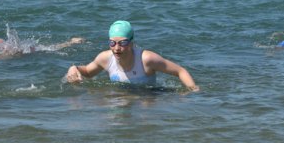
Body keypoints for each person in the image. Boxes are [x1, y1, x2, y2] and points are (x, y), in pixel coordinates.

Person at [66, 20, 199, 91]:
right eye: (112, 43)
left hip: (149, 95)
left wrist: (194, 91)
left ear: (131, 43)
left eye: (122, 43)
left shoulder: (146, 59)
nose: (116, 48)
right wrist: (74, 68)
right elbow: (88, 72)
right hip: (122, 95)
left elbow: (180, 71)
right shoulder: (105, 58)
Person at [0, 37, 84, 59]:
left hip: (23, 50)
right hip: (22, 48)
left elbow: (5, 55)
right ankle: (71, 42)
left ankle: (71, 42)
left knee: (49, 49)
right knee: (47, 48)